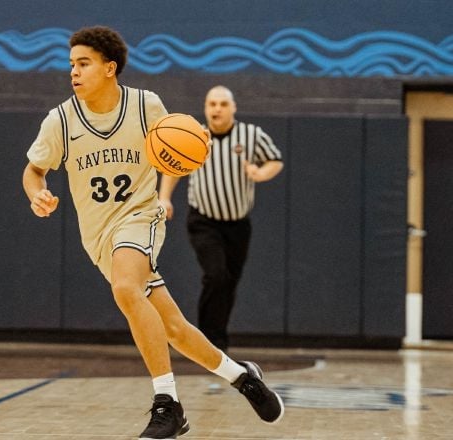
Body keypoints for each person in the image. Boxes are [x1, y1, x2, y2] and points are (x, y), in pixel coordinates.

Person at [22, 26, 283, 439]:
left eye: (84, 63)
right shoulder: (61, 120)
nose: (74, 71)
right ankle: (242, 376)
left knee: (126, 289)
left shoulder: (146, 106)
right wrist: (38, 193)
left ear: (110, 68)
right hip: (98, 236)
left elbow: (180, 149)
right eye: (71, 64)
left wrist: (194, 144)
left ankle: (167, 403)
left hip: (141, 217)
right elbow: (34, 170)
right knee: (174, 327)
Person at [158, 86, 284, 352]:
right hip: (204, 220)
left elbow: (275, 160)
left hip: (238, 224)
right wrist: (164, 197)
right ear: (205, 107)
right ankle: (206, 340)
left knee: (229, 282)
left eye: (223, 104)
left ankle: (217, 339)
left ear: (233, 108)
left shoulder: (251, 135)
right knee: (216, 275)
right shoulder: (195, 136)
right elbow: (174, 168)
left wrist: (261, 173)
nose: (217, 109)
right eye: (212, 103)